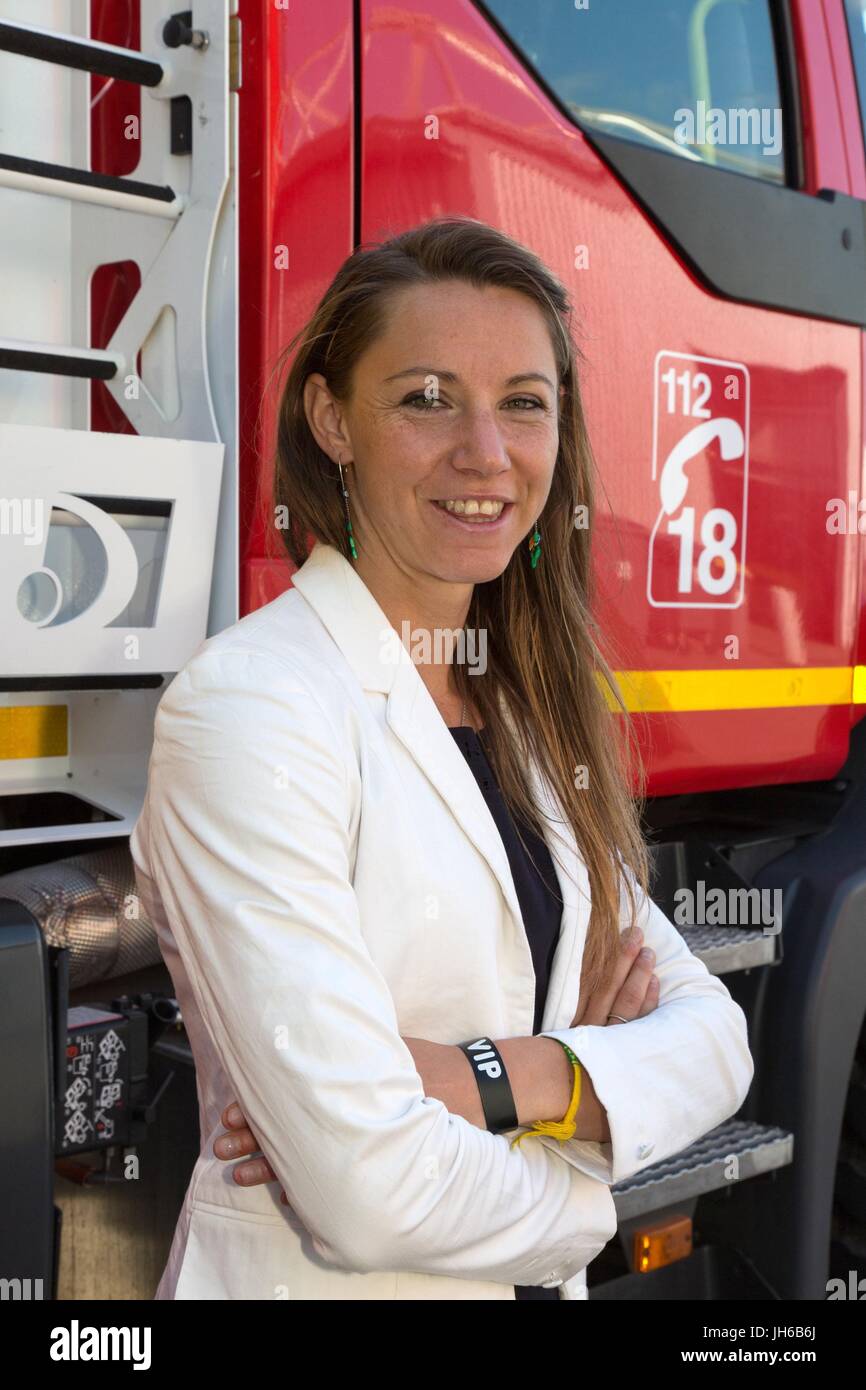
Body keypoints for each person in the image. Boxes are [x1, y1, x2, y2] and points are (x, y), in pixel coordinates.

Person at [130, 216, 754, 1300]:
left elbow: (716, 1043)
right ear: (332, 420)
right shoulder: (249, 707)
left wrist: (495, 1076)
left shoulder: (522, 712)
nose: (484, 451)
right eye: (425, 398)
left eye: (523, 402)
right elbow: (364, 1191)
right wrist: (583, 1180)